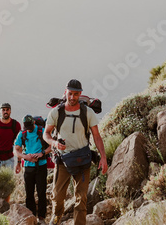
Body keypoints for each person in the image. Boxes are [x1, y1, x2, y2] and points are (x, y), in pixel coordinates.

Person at [44, 79, 108, 225]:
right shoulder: (56, 112)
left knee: (81, 199)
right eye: (70, 93)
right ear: (65, 92)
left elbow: (97, 136)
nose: (72, 97)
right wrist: (54, 143)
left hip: (82, 159)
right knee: (57, 196)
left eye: (75, 94)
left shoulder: (87, 112)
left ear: (80, 94)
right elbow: (46, 133)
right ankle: (57, 215)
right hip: (62, 160)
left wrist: (103, 158)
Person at [14, 115, 51, 224]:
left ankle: (41, 217)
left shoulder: (42, 131)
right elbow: (16, 150)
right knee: (29, 193)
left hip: (41, 165)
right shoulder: (22, 134)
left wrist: (42, 153)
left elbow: (51, 146)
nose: (29, 129)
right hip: (28, 166)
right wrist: (26, 157)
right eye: (27, 128)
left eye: (30, 127)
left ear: (34, 123)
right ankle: (31, 216)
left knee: (41, 192)